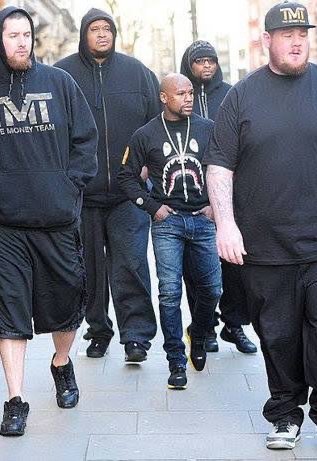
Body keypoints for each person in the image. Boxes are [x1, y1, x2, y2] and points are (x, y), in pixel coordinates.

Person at [204, 1, 317, 454]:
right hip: (265, 248)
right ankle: (284, 414)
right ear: (267, 40)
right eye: (287, 35)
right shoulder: (241, 96)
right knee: (278, 337)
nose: (297, 42)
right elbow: (219, 166)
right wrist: (226, 226)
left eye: (302, 34)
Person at [0, 7, 98, 436]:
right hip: (4, 224)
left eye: (26, 34)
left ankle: (61, 362)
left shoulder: (60, 83)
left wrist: (69, 186)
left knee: (67, 303)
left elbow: (85, 141)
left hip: (57, 218)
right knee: (9, 310)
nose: (21, 42)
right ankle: (15, 400)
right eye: (12, 35)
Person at [55, 8, 158, 362]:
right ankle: (98, 331)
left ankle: (136, 338)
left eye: (107, 28)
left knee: (131, 265)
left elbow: (156, 126)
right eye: (94, 29)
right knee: (89, 271)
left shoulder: (138, 73)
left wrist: (148, 167)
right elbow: (53, 131)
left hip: (129, 195)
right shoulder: (62, 75)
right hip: (82, 195)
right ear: (83, 34)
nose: (102, 34)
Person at [118, 73, 221, 389]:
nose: (188, 98)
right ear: (163, 97)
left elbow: (226, 168)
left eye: (190, 93)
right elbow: (126, 177)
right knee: (169, 293)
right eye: (180, 94)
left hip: (204, 221)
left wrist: (216, 206)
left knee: (212, 289)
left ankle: (198, 334)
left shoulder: (208, 128)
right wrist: (152, 207)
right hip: (168, 224)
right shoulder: (145, 134)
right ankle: (176, 361)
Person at [180, 40, 257, 354]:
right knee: (196, 269)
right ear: (189, 65)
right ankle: (203, 326)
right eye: (199, 61)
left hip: (228, 195)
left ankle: (234, 325)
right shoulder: (180, 95)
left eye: (210, 60)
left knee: (234, 264)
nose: (206, 66)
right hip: (191, 196)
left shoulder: (231, 94)